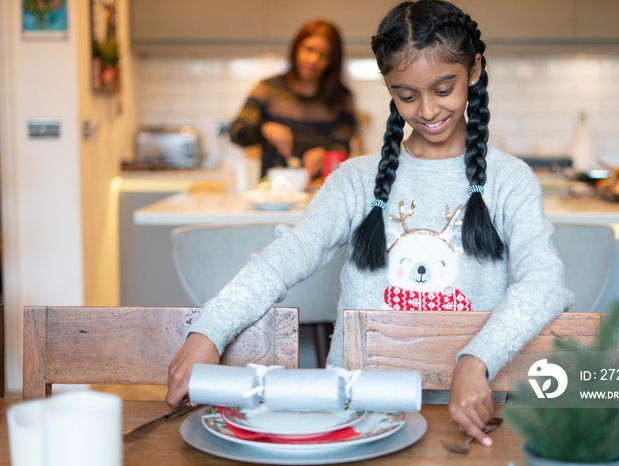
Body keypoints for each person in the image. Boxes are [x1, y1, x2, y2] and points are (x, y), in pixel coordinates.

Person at [167, 0, 573, 447]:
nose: (427, 111)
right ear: (388, 87)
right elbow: (285, 258)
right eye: (406, 95)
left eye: (443, 89)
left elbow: (545, 282)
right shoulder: (356, 180)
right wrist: (208, 330)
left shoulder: (508, 180)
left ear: (474, 70)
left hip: (461, 423)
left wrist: (476, 360)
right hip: (352, 420)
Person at [228, 19, 357, 179]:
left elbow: (342, 143)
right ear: (296, 48)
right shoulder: (267, 89)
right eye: (309, 49)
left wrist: (326, 153)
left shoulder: (341, 97)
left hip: (321, 188)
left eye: (323, 55)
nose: (313, 60)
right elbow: (236, 132)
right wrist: (263, 129)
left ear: (332, 62)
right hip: (272, 190)